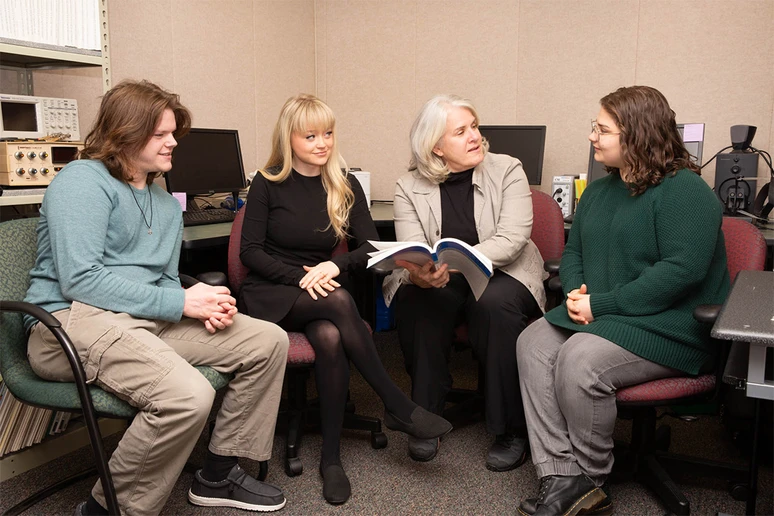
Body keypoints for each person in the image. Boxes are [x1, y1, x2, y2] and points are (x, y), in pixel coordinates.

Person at [23, 80, 290, 516]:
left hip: (139, 317)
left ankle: (218, 474)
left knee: (266, 341)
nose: (172, 143)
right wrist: (182, 302)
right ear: (125, 134)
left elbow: (162, 279)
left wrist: (198, 297)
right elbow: (81, 280)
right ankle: (109, 509)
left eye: (173, 134)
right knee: (189, 394)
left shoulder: (164, 201)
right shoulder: (82, 181)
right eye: (160, 134)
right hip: (68, 323)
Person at [515, 85, 730, 516]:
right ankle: (560, 474)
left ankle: (590, 478)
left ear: (637, 135)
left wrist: (602, 305)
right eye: (594, 127)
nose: (593, 137)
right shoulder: (598, 191)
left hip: (672, 325)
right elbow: (574, 251)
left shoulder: (686, 192)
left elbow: (680, 271)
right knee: (533, 342)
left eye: (603, 130)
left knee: (579, 358)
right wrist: (577, 293)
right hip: (608, 312)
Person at [239, 94, 452, 505]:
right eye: (311, 135)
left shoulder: (343, 181)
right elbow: (250, 253)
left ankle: (331, 460)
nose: (323, 143)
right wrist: (301, 277)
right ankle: (397, 404)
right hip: (272, 289)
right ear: (289, 139)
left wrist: (334, 268)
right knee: (338, 302)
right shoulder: (267, 182)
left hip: (321, 287)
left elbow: (372, 247)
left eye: (329, 133)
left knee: (332, 336)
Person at [382, 94, 546, 467]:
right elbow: (413, 245)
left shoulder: (507, 169)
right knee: (416, 301)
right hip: (442, 274)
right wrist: (420, 273)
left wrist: (460, 261)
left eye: (474, 126)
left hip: (504, 270)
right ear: (436, 147)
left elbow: (512, 238)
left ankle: (511, 429)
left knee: (493, 305)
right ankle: (425, 415)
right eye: (461, 131)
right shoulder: (408, 186)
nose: (475, 136)